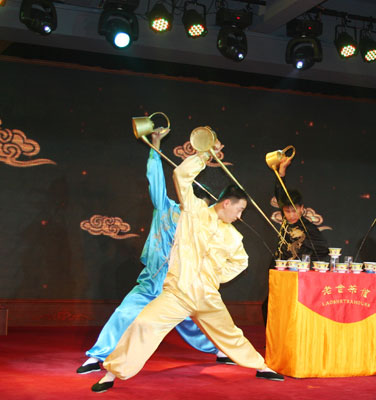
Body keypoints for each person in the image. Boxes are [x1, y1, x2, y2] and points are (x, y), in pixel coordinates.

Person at [91, 131, 284, 393]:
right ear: (226, 203)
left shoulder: (233, 235)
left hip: (207, 296)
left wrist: (214, 277)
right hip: (178, 292)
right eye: (239, 210)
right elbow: (181, 176)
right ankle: (111, 374)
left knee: (230, 333)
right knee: (143, 324)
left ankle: (261, 366)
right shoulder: (193, 212)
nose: (239, 216)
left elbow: (241, 263)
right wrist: (204, 154)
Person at [77, 129, 229, 375]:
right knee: (125, 312)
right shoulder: (164, 207)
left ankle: (222, 349)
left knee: (196, 319)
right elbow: (155, 177)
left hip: (179, 283)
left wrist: (208, 153)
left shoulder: (200, 219)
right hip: (152, 280)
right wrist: (155, 146)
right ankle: (97, 357)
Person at [261, 155, 329, 324]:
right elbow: (280, 193)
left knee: (291, 310)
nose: (291, 215)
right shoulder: (286, 220)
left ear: (302, 209)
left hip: (296, 276)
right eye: (287, 211)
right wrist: (281, 171)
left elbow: (323, 250)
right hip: (278, 271)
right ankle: (273, 339)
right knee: (269, 306)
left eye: (294, 211)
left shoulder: (309, 228)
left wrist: (306, 262)